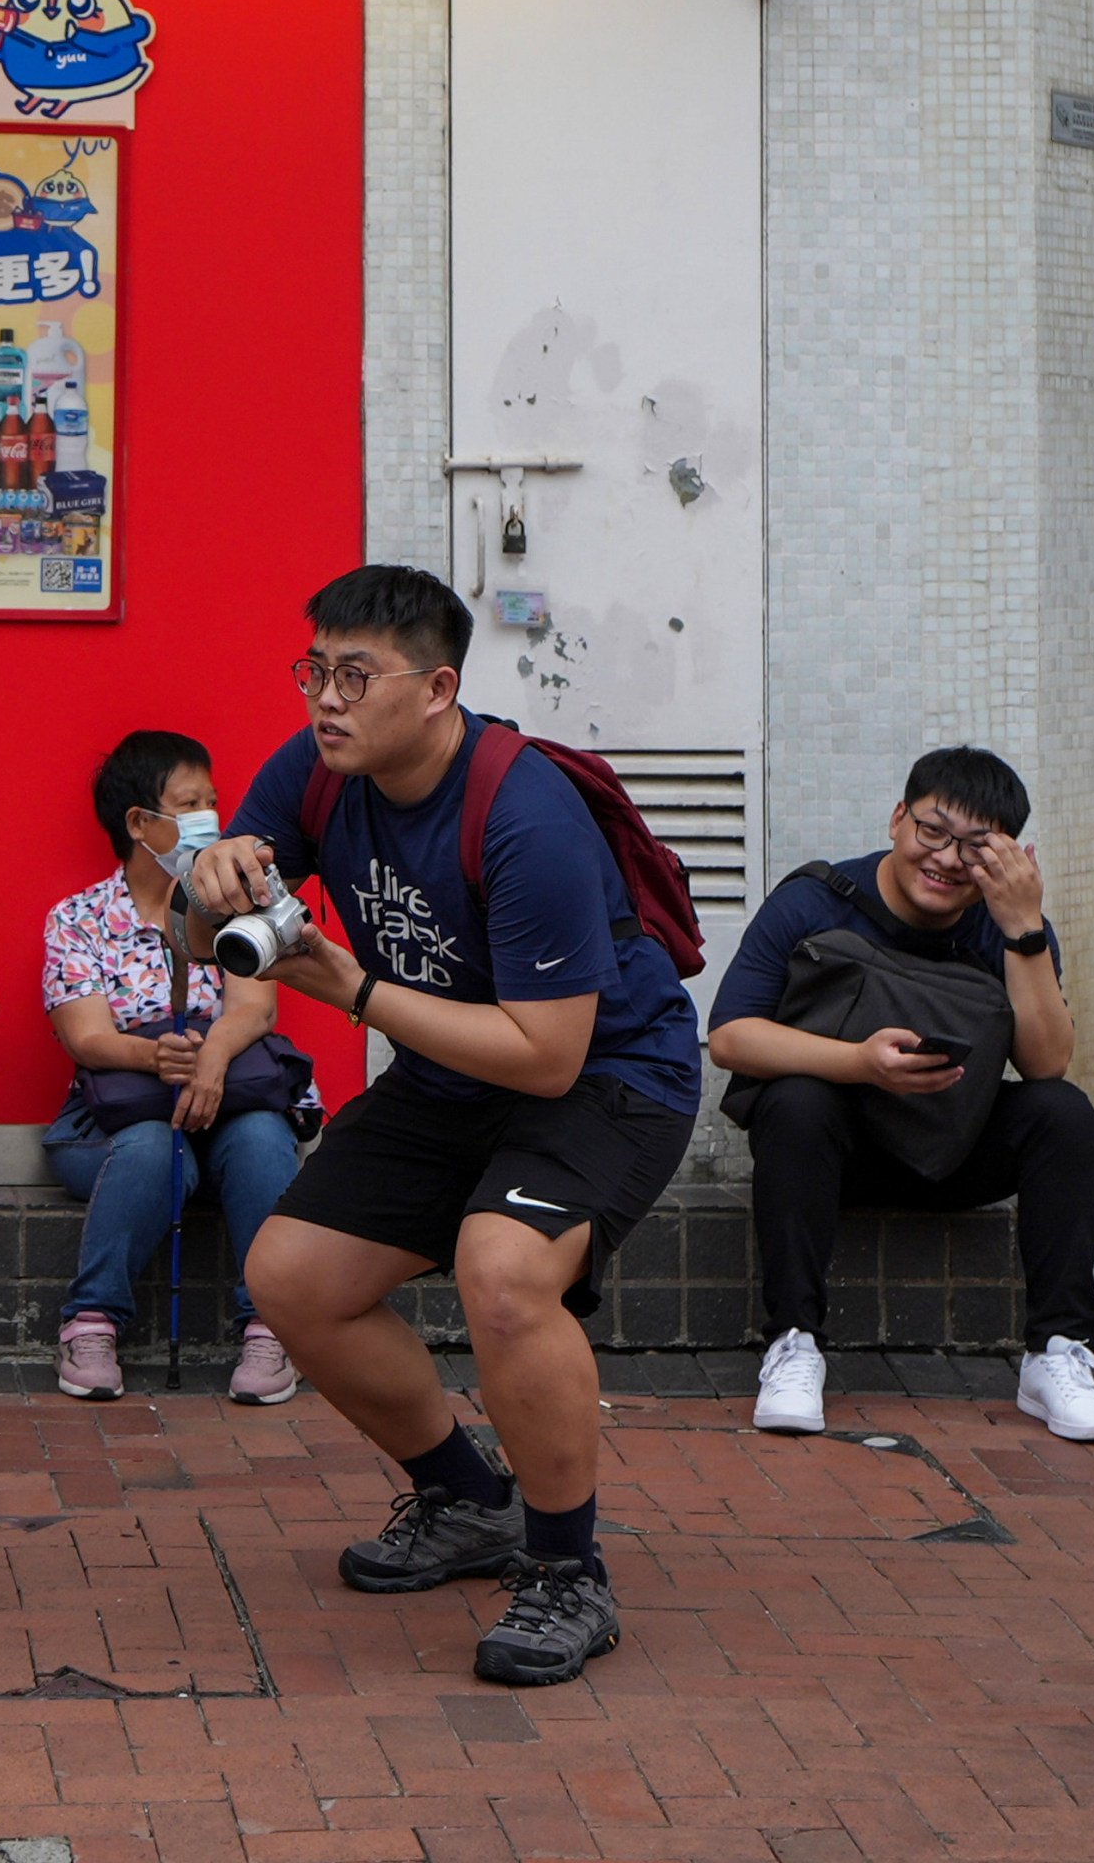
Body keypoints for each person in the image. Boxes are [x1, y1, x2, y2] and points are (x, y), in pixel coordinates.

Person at [185, 566, 701, 1690]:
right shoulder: (319, 774)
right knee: (291, 1275)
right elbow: (198, 941)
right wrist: (204, 875)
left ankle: (568, 1572)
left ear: (436, 688)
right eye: (314, 669)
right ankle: (471, 1502)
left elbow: (547, 1052)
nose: (326, 698)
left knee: (505, 1271)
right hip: (449, 1077)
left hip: (607, 1077)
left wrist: (350, 987)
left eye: (356, 675)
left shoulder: (525, 814)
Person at [711, 748, 1094, 1445]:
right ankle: (792, 1344)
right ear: (899, 818)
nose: (947, 859)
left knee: (1064, 1115)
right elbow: (730, 1037)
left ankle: (1057, 1356)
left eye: (975, 846)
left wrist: (1022, 929)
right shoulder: (815, 899)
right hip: (836, 1156)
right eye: (933, 831)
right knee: (794, 1103)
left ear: (1008, 855)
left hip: (955, 1148)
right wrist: (859, 1064)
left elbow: (1046, 1062)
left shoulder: (1008, 925)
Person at [39, 730, 309, 1406]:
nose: (209, 822)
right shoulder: (78, 919)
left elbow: (254, 1010)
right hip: (114, 1121)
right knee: (153, 1148)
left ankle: (270, 1329)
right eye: (190, 804)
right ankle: (91, 1322)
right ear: (139, 822)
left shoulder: (229, 904)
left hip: (226, 1107)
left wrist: (210, 1058)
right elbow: (86, 1037)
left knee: (260, 1140)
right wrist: (156, 1055)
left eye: (211, 803)